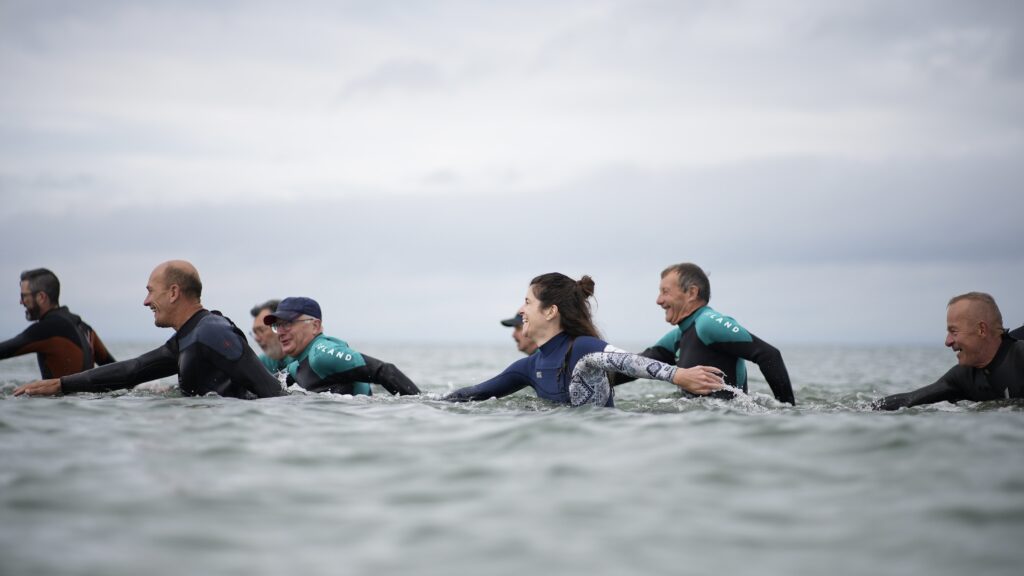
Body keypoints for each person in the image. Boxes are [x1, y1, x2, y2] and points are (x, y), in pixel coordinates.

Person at [444, 273, 724, 407]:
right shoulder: (529, 366)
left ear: (551, 311)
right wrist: (422, 402)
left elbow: (626, 361)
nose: (521, 310)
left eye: (527, 302)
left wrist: (680, 376)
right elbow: (474, 393)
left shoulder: (582, 347)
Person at [14, 260, 284, 399]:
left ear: (174, 292)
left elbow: (271, 393)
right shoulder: (187, 338)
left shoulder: (212, 332)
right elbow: (133, 370)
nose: (146, 301)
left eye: (150, 292)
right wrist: (62, 385)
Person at [613, 263, 795, 404]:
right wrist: (592, 375)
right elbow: (639, 365)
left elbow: (768, 354)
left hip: (726, 422)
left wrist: (788, 412)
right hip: (698, 422)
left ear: (692, 292)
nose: (658, 300)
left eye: (665, 292)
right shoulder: (678, 336)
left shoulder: (707, 323)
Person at [874, 292, 1023, 410]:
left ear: (981, 330)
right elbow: (910, 400)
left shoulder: (1019, 358)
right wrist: (861, 410)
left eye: (954, 332)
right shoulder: (964, 377)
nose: (947, 341)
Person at [263, 296, 420, 396]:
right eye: (278, 325)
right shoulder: (294, 367)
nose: (280, 332)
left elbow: (383, 370)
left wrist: (422, 405)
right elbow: (266, 387)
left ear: (315, 326)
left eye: (288, 323)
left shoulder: (321, 354)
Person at [1, 268, 116, 379]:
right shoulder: (85, 328)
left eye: (24, 296)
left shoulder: (46, 329)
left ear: (41, 297)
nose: (21, 302)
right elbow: (116, 370)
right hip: (88, 398)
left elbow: (5, 350)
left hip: (61, 398)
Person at [250, 299, 286, 372]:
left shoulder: (306, 358)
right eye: (255, 332)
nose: (257, 338)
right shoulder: (263, 362)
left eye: (261, 330)